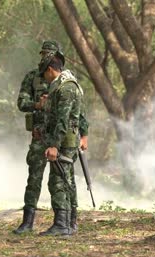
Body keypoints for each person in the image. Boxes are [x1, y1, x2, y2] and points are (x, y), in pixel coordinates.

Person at [14, 41, 88, 235]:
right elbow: (21, 103)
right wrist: (38, 105)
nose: (46, 56)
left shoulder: (66, 83)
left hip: (60, 137)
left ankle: (69, 221)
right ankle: (28, 222)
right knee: (35, 177)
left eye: (51, 54)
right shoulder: (33, 77)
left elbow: (76, 112)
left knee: (64, 178)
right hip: (40, 134)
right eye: (45, 53)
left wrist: (84, 134)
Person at [38, 53, 88, 236]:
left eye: (44, 73)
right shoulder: (66, 85)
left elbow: (62, 120)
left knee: (58, 181)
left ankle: (62, 225)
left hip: (64, 141)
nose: (44, 77)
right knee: (68, 181)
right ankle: (70, 223)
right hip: (67, 140)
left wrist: (54, 146)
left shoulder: (66, 88)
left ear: (50, 70)